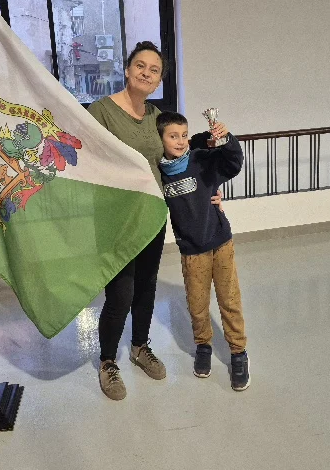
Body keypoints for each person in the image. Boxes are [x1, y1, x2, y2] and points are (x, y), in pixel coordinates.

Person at [88, 41, 223, 400]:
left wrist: (210, 187)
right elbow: (87, 160)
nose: (146, 73)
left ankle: (139, 347)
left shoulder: (155, 116)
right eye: (140, 66)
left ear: (159, 79)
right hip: (115, 219)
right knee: (120, 293)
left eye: (154, 70)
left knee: (146, 286)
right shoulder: (101, 111)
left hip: (151, 215)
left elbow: (179, 156)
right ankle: (107, 361)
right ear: (127, 68)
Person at [156, 111, 250, 391]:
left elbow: (232, 163)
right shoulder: (158, 174)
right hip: (192, 251)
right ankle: (203, 347)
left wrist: (226, 138)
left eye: (184, 135)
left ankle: (238, 353)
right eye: (173, 136)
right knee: (197, 305)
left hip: (220, 243)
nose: (180, 141)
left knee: (229, 300)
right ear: (160, 139)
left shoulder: (200, 160)